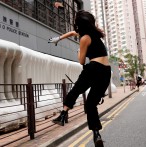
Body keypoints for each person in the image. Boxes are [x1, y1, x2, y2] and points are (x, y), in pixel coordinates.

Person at [48, 10, 111, 147]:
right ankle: (96, 134)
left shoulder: (84, 39)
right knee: (91, 104)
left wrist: (79, 51)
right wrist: (59, 39)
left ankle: (63, 114)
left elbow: (81, 61)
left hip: (94, 67)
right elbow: (71, 33)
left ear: (79, 25)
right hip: (106, 71)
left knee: (75, 90)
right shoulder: (94, 33)